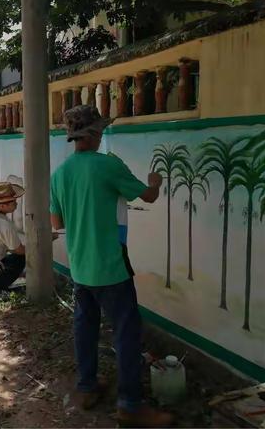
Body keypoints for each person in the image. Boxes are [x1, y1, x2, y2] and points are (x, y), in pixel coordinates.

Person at [49, 105, 173, 427]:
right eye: (101, 130)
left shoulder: (60, 174)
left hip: (80, 269)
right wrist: (155, 181)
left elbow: (57, 220)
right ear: (92, 134)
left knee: (85, 329)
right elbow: (147, 196)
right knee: (127, 333)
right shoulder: (107, 166)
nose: (102, 134)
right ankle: (131, 405)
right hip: (111, 270)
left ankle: (87, 387)